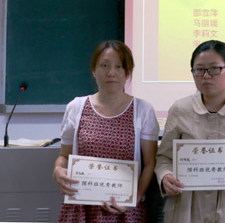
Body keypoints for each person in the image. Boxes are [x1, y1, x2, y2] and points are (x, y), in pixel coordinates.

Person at [155, 40, 225, 223]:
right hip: (188, 208)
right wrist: (165, 176)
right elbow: (164, 158)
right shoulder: (179, 109)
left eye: (214, 69)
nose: (206, 76)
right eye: (199, 70)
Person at [53, 40, 159, 222]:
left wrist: (132, 200)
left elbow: (150, 163)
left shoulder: (143, 110)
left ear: (127, 72)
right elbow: (64, 156)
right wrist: (57, 170)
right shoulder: (76, 107)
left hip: (125, 210)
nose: (111, 72)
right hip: (81, 209)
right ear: (94, 70)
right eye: (104, 65)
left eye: (119, 66)